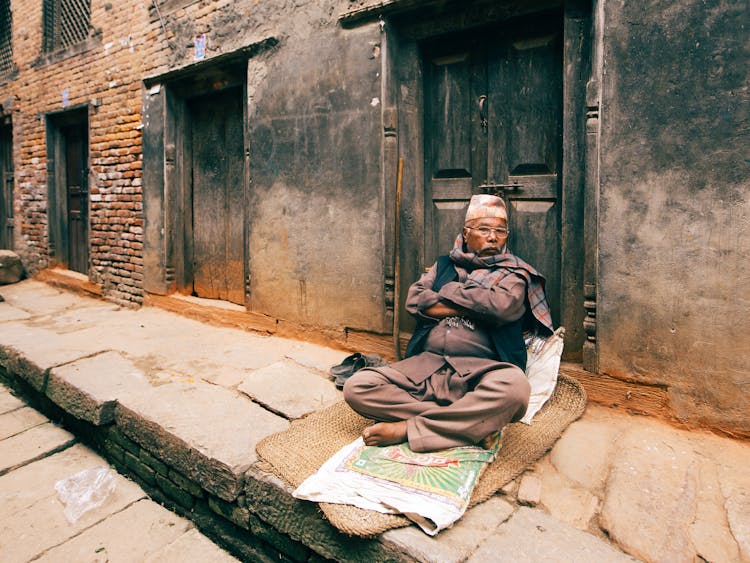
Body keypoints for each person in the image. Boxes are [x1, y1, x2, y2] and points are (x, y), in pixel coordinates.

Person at [343, 194, 553, 453]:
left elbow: (501, 307)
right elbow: (415, 300)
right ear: (466, 234)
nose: (493, 237)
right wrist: (478, 304)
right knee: (357, 387)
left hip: (479, 372)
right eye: (484, 229)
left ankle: (408, 427)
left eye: (500, 231)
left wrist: (449, 291)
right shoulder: (444, 264)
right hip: (426, 367)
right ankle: (471, 423)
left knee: (516, 390)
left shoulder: (515, 273)